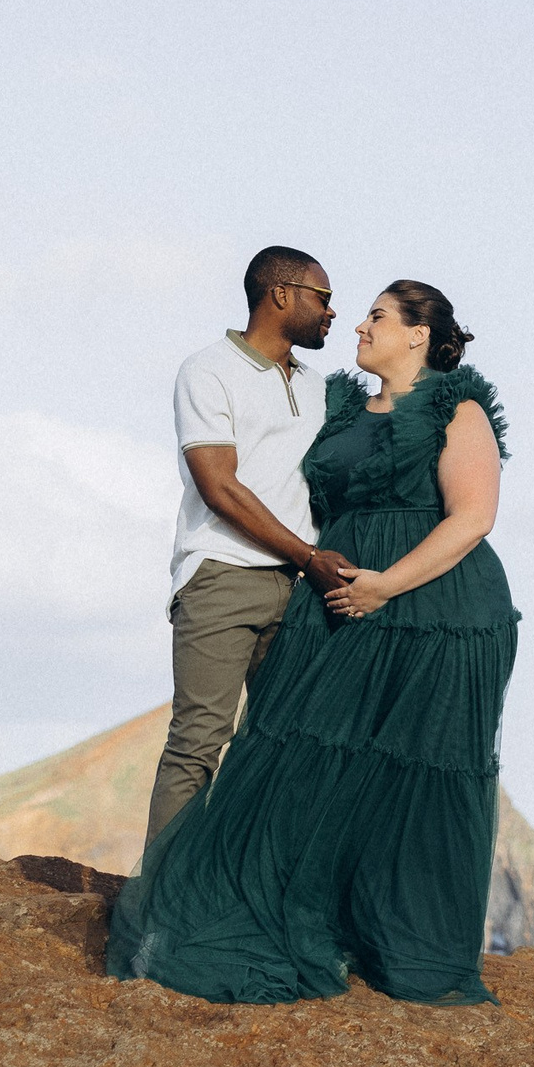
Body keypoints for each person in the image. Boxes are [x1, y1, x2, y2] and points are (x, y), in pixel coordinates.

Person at [108, 279, 516, 1005]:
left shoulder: (459, 406)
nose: (358, 323)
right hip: (338, 598)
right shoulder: (340, 404)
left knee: (422, 770)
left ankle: (410, 945)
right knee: (318, 752)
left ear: (419, 333)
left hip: (439, 608)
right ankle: (224, 909)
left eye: (378, 315)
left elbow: (474, 516)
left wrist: (386, 584)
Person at [147, 246, 354, 844]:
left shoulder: (319, 388)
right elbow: (219, 487)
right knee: (197, 745)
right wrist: (309, 556)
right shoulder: (208, 370)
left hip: (300, 591)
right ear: (281, 294)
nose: (333, 313)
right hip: (223, 576)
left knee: (284, 745)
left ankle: (246, 903)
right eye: (324, 297)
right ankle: (161, 911)